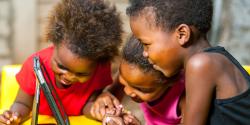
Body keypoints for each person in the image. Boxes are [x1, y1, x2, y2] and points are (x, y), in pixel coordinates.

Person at [126, 0, 250, 125]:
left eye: (146, 44)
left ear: (182, 34)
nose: (144, 53)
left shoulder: (201, 64)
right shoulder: (213, 59)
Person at [0, 0, 123, 124]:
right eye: (61, 66)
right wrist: (14, 116)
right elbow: (22, 104)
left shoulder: (100, 69)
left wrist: (99, 111)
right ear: (54, 43)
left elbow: (87, 105)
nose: (68, 76)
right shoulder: (35, 65)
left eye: (81, 74)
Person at [102, 35, 185, 125]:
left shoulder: (185, 99)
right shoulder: (130, 74)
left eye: (141, 89)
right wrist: (110, 111)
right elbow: (110, 99)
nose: (128, 92)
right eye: (124, 80)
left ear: (170, 82)